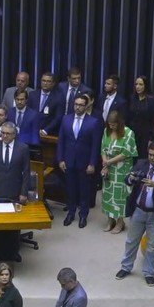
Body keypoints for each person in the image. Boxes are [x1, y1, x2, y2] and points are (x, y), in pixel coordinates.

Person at [114, 141, 154, 286]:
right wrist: (130, 177)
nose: (151, 158)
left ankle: (149, 272)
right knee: (131, 241)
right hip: (138, 210)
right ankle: (126, 267)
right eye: (149, 154)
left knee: (153, 246)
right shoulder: (141, 164)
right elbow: (128, 180)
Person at [57, 93, 103, 228]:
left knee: (84, 190)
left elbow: (96, 145)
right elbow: (61, 141)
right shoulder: (66, 119)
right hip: (69, 160)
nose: (78, 107)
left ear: (86, 105)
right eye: (76, 104)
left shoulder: (93, 122)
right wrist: (60, 159)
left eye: (81, 105)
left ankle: (83, 215)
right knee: (70, 189)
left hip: (85, 162)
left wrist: (92, 163)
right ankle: (71, 213)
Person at [100, 110, 137, 233]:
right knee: (108, 195)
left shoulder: (129, 133)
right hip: (109, 168)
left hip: (122, 169)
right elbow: (103, 149)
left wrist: (109, 162)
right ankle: (110, 220)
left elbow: (126, 153)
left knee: (120, 197)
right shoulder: (107, 131)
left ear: (119, 123)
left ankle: (120, 222)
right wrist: (105, 163)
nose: (111, 127)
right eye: (109, 124)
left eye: (114, 125)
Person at [0, 121, 30, 206]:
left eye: (8, 133)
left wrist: (24, 193)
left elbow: (26, 173)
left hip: (15, 193)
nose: (5, 136)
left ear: (14, 134)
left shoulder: (23, 148)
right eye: (3, 133)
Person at [126, 75, 154, 160]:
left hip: (145, 135)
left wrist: (151, 138)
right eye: (136, 84)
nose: (138, 87)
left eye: (141, 84)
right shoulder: (132, 98)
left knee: (143, 158)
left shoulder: (152, 101)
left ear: (146, 86)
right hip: (133, 134)